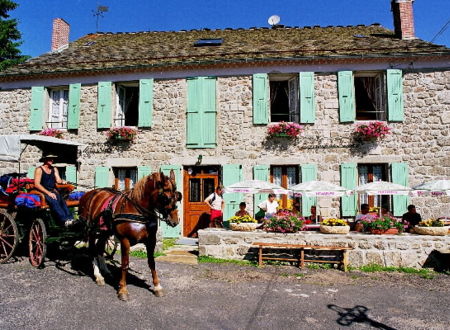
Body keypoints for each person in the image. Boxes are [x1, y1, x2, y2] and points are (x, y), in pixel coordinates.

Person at [34, 153, 75, 227]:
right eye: (50, 159)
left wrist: (63, 181)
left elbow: (58, 180)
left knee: (62, 202)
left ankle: (70, 219)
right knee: (54, 202)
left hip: (53, 191)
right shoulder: (39, 170)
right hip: (43, 192)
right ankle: (64, 220)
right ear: (45, 159)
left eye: (52, 159)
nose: (52, 160)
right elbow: (37, 184)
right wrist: (48, 193)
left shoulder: (54, 169)